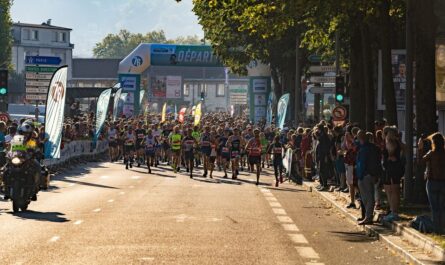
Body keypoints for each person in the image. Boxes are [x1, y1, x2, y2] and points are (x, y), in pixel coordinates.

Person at [420, 133, 445, 234]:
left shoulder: (431, 153)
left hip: (432, 182)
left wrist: (420, 148)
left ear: (433, 143)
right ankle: (442, 227)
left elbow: (420, 161)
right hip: (443, 182)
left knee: (434, 207)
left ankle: (437, 229)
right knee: (442, 206)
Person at [355, 131, 381, 225]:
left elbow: (363, 163)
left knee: (368, 197)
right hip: (367, 175)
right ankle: (367, 215)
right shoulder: (371, 148)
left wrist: (361, 175)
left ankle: (368, 216)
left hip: (365, 175)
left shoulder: (365, 149)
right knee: (366, 197)